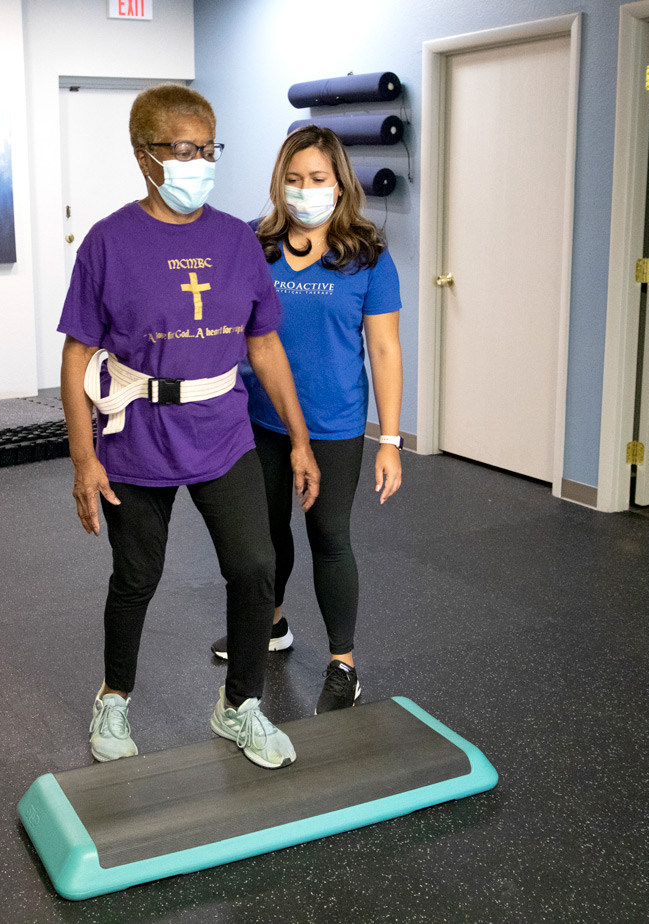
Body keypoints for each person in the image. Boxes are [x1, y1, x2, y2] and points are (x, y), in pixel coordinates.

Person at [58, 86, 320, 769]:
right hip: (137, 436)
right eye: (183, 149)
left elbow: (263, 345)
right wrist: (83, 459)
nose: (198, 162)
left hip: (223, 431)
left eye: (207, 148)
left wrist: (297, 438)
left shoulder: (236, 240)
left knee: (255, 566)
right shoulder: (109, 242)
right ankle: (114, 696)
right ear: (145, 156)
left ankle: (241, 706)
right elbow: (77, 353)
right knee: (137, 576)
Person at [212, 125, 403, 715]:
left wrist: (390, 440)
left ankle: (343, 663)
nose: (305, 190)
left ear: (340, 184)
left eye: (318, 179)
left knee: (328, 538)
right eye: (294, 180)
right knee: (265, 538)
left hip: (335, 425)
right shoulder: (254, 244)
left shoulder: (367, 255)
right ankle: (272, 625)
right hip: (259, 419)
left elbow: (386, 351)